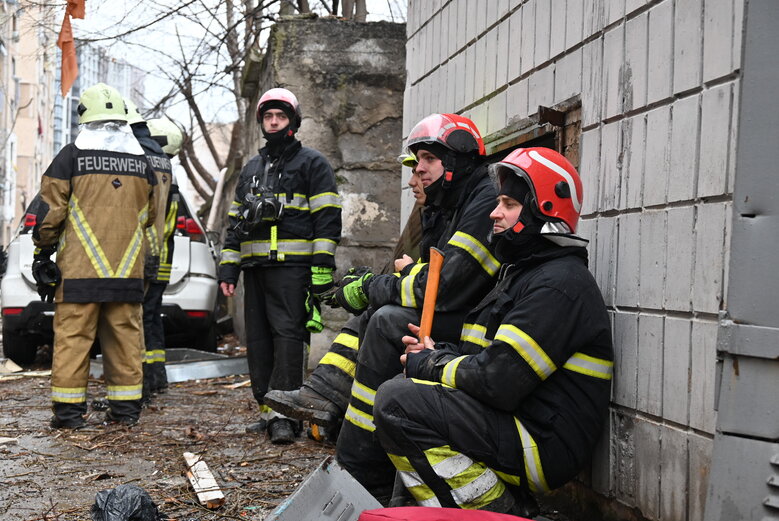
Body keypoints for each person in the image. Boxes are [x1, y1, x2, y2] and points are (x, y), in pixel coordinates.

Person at [372, 147, 614, 515]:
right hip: (520, 423)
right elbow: (485, 359)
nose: (494, 212)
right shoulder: (524, 274)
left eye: (508, 204)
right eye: (498, 202)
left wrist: (432, 364)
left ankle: (500, 513)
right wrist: (436, 352)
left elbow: (498, 381)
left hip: (542, 443)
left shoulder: (559, 285)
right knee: (404, 389)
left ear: (542, 211)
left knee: (398, 402)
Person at [321, 114, 500, 497]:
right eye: (417, 159)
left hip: (479, 334)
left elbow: (443, 286)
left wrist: (372, 286)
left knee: (387, 319)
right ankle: (327, 398)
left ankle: (361, 473)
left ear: (457, 159)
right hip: (459, 318)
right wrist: (379, 285)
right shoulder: (449, 204)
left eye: (429, 159)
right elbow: (429, 278)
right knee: (380, 313)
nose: (417, 170)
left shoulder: (484, 198)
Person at [263, 152, 425, 436]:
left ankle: (341, 417)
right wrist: (370, 284)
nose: (411, 181)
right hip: (409, 303)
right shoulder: (429, 212)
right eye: (413, 170)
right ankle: (326, 400)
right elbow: (402, 269)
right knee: (366, 319)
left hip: (430, 321)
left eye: (421, 171)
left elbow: (431, 280)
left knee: (379, 318)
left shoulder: (451, 212)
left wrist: (369, 286)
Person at [218, 87, 342, 444]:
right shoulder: (251, 169)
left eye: (281, 116)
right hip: (255, 270)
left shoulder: (312, 164)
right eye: (269, 117)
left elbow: (327, 218)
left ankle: (286, 416)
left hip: (293, 271)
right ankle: (266, 411)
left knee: (288, 340)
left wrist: (321, 268)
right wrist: (229, 269)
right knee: (257, 343)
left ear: (293, 122)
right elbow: (235, 223)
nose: (274, 122)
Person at [32, 83, 158, 429]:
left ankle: (70, 415)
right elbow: (150, 216)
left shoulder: (70, 158)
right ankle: (125, 411)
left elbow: (49, 214)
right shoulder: (142, 164)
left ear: (85, 119)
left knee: (73, 342)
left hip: (79, 274)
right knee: (125, 342)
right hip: (127, 274)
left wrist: (43, 251)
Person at [138, 115, 183, 399]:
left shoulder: (155, 178)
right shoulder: (169, 178)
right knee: (152, 318)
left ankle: (143, 382)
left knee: (142, 320)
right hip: (163, 261)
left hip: (150, 260)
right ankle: (157, 378)